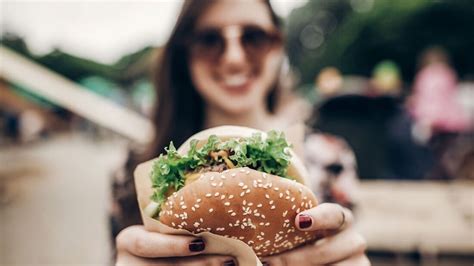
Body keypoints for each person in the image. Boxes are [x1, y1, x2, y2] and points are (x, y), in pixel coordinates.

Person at [112, 0, 369, 265]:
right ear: (184, 54)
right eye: (209, 40)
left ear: (278, 47)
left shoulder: (330, 158)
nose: (234, 59)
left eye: (254, 38)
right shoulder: (131, 170)